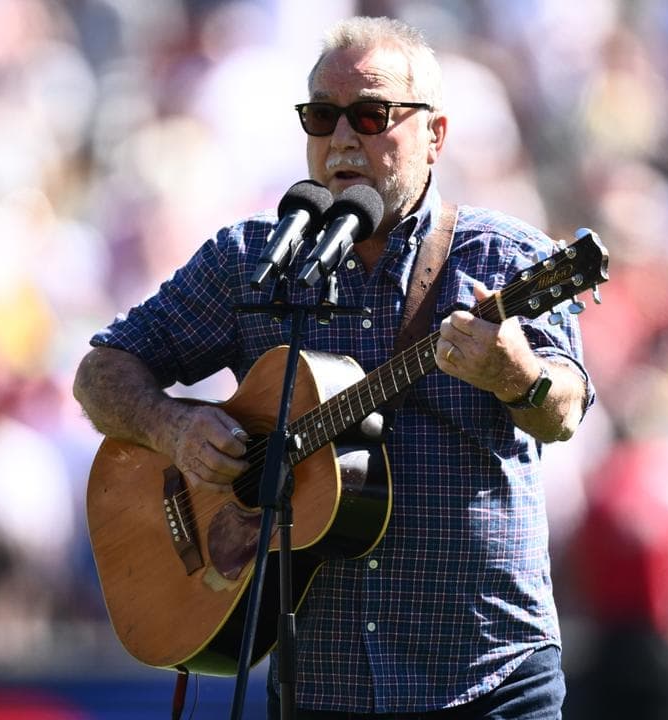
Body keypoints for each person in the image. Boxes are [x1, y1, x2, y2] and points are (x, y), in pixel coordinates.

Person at [72, 16, 594, 719]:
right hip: (325, 686)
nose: (343, 138)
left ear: (434, 136)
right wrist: (174, 428)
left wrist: (517, 376)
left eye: (372, 115)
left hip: (487, 678)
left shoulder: (507, 259)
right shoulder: (253, 260)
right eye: (322, 116)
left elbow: (562, 408)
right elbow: (102, 372)